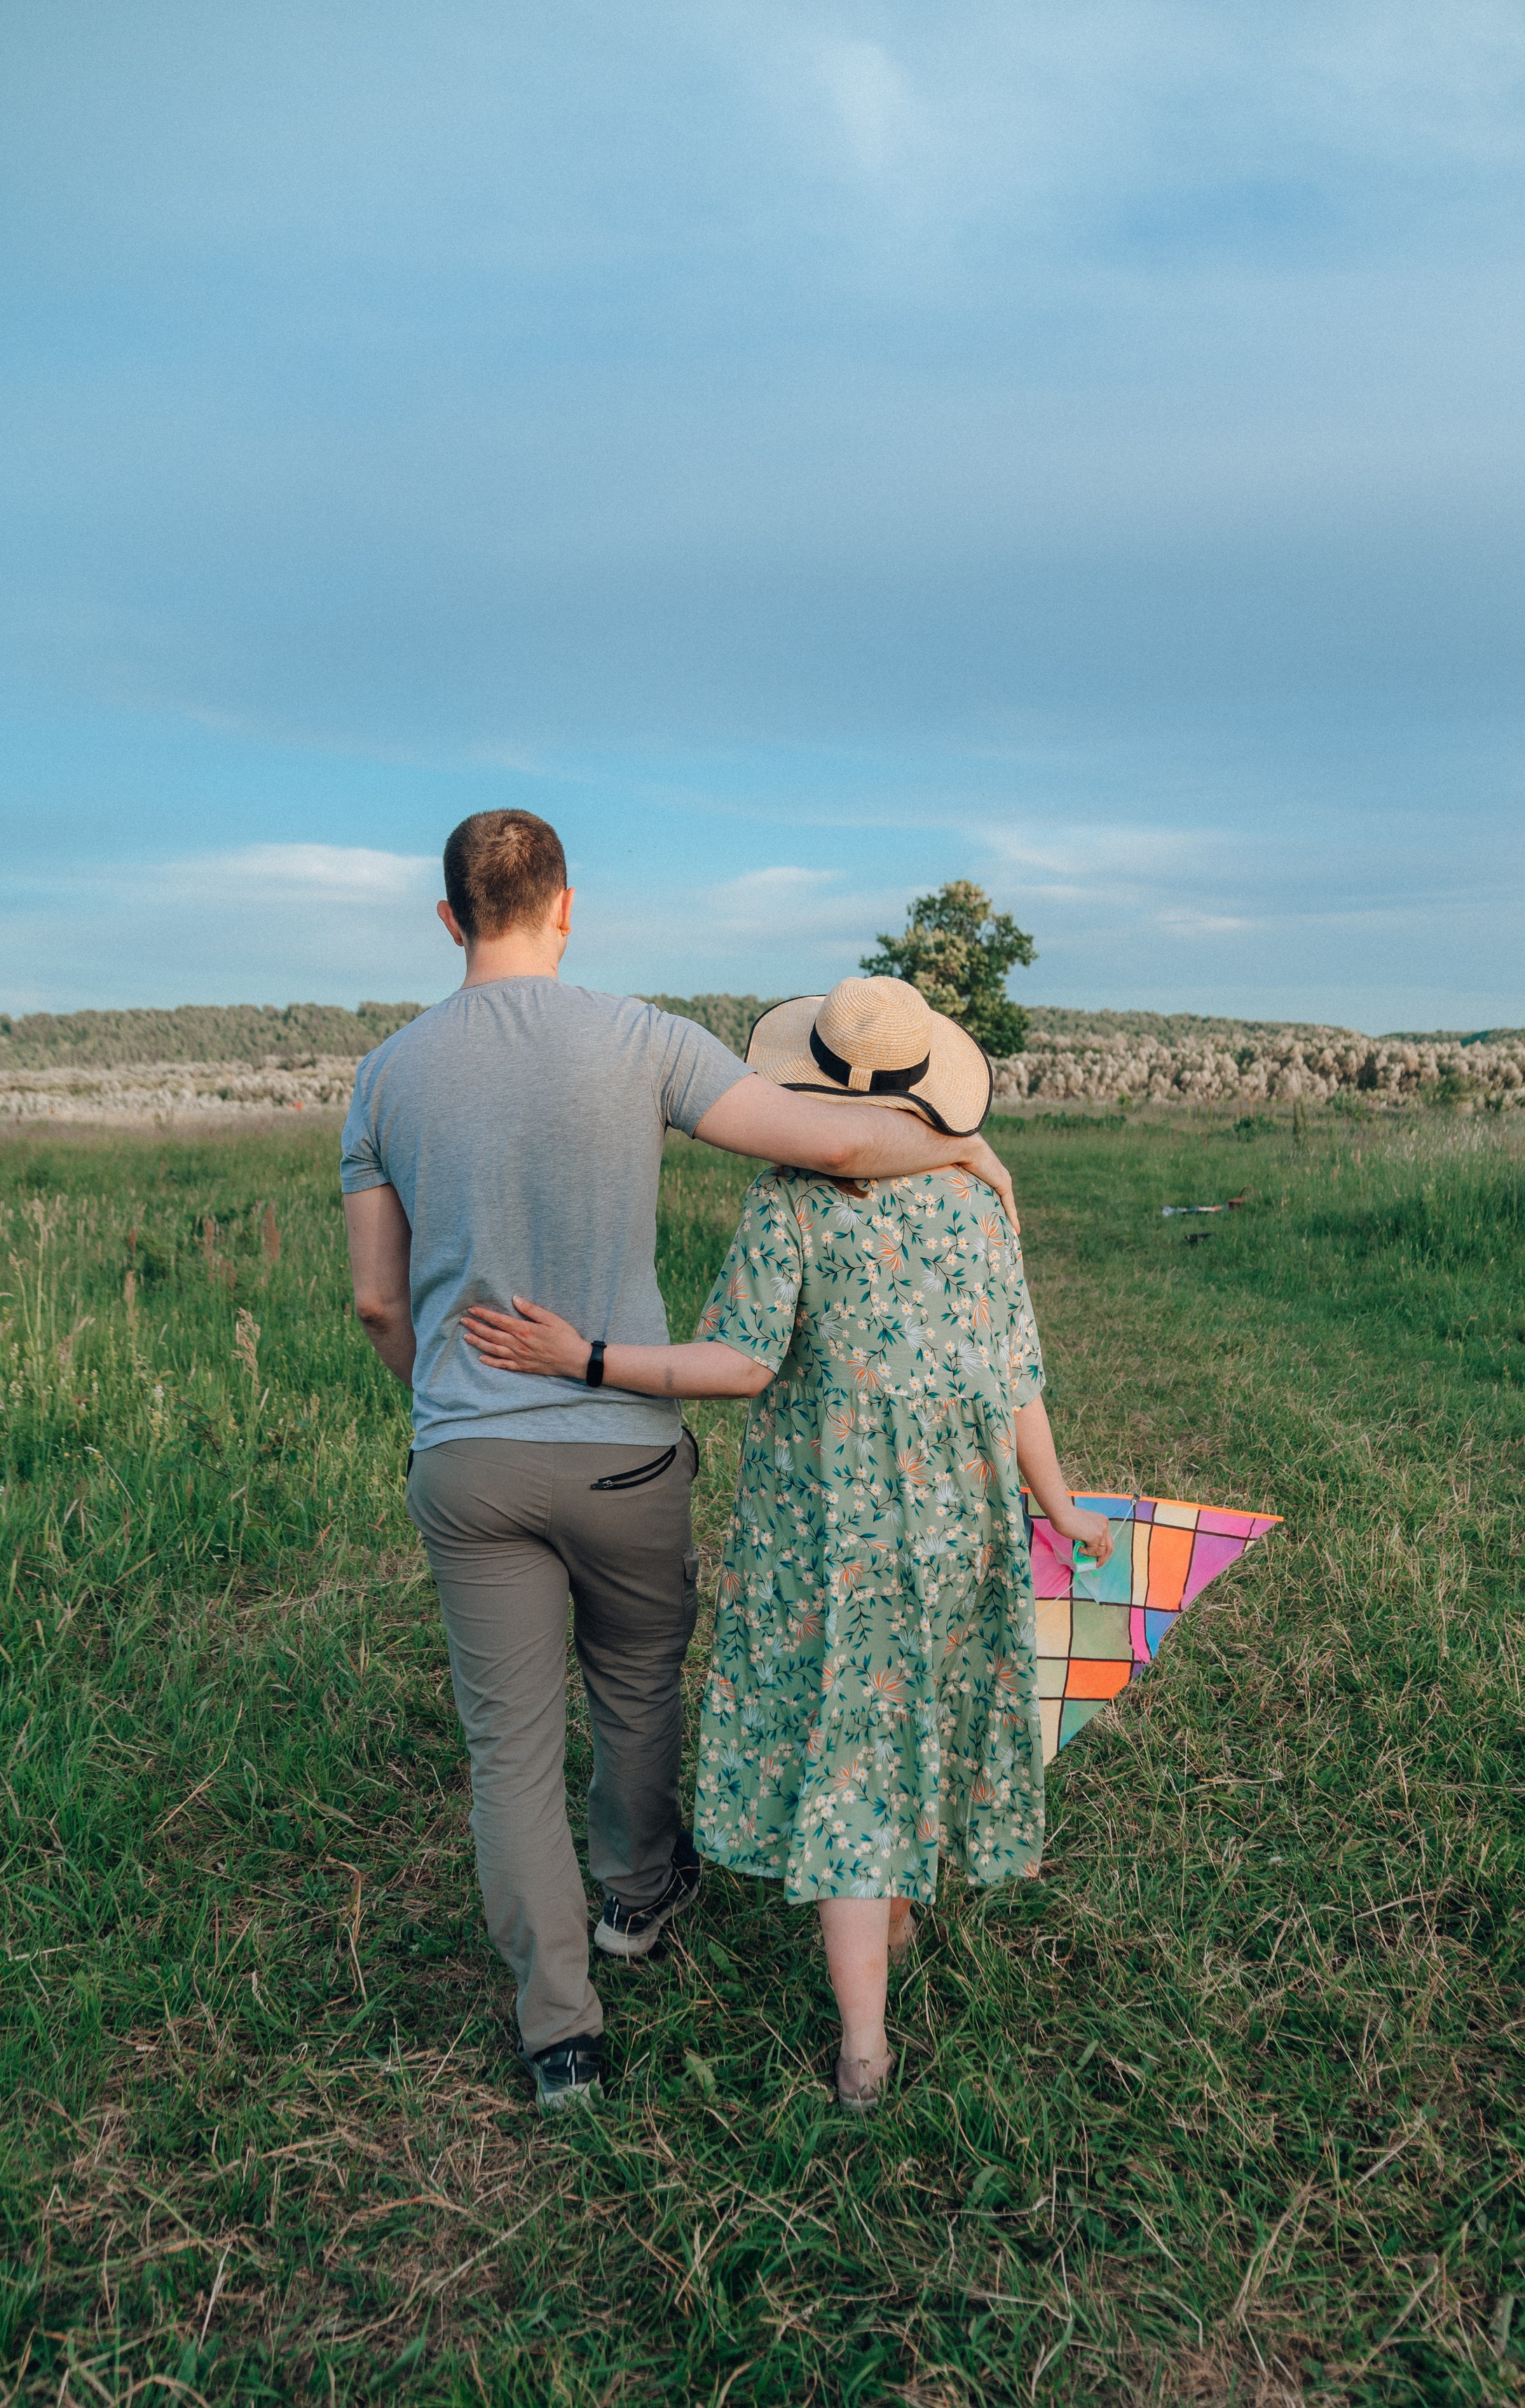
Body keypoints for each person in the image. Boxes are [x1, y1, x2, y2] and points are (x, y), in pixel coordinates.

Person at [341, 816, 1020, 2113]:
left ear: (447, 921)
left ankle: (561, 2037)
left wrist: (443, 1400)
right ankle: (639, 1902)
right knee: (641, 1683)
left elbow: (380, 1305)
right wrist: (957, 1145)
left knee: (509, 1751)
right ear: (567, 909)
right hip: (622, 1458)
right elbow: (829, 1142)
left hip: (467, 1458)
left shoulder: (384, 1078)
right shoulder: (640, 1036)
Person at [463, 972, 1112, 2111]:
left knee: (854, 1757)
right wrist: (1057, 1507)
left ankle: (863, 2046)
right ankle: (895, 1927)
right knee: (916, 1710)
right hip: (960, 1523)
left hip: (831, 1534)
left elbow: (740, 1362)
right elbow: (1018, 1382)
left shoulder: (792, 1202)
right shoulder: (978, 1201)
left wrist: (590, 1360)